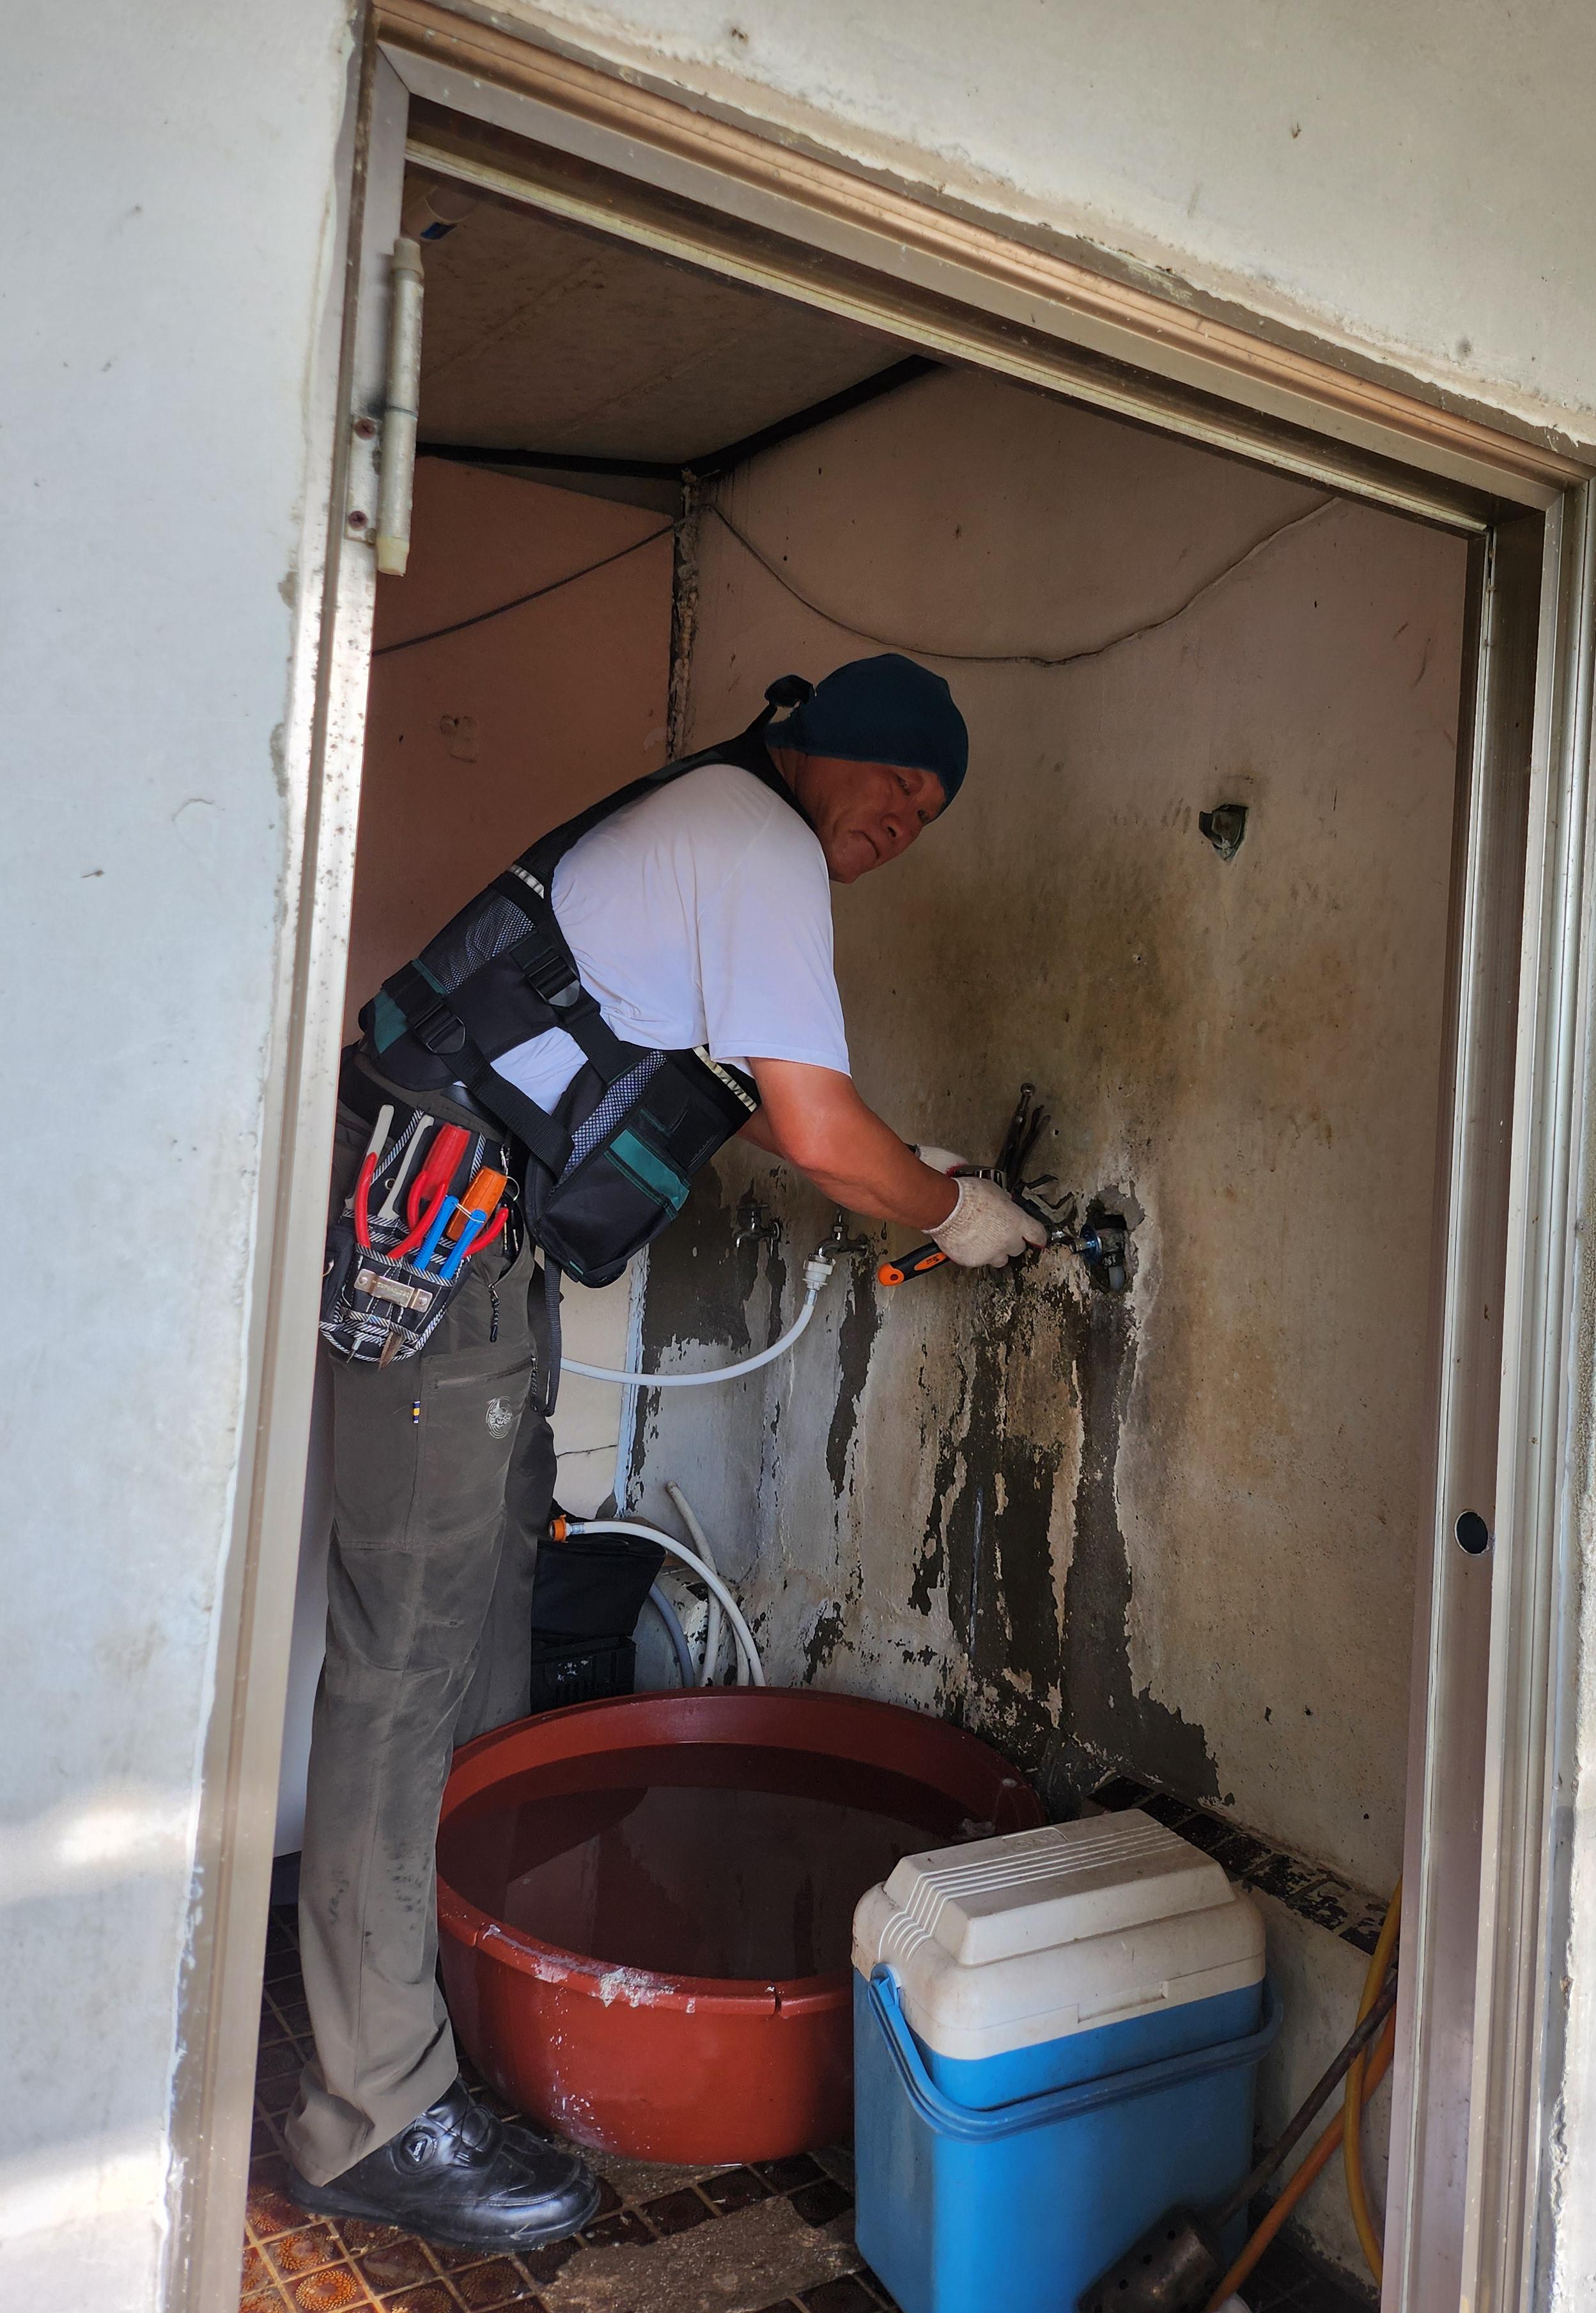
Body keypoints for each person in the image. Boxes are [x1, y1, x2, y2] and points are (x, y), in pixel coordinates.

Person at [281, 654, 1045, 2249]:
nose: (906, 820)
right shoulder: (754, 836)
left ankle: (448, 1999)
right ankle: (372, 2110)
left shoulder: (720, 827)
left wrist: (912, 1166)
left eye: (931, 812)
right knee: (408, 1659)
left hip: (472, 1229)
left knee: (485, 1602)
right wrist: (958, 1213)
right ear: (819, 744)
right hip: (438, 1225)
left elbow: (762, 1098)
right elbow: (819, 1133)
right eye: (898, 782)